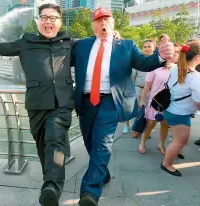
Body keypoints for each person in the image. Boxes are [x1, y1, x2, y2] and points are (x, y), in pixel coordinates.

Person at [0, 4, 74, 206]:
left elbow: (93, 48)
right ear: (38, 21)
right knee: (43, 147)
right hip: (36, 104)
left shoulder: (70, 43)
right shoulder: (26, 42)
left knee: (55, 141)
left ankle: (52, 187)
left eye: (53, 17)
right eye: (44, 17)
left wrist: (112, 38)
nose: (48, 21)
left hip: (61, 104)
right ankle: (50, 185)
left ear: (60, 21)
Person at [71, 7, 175, 206]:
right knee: (90, 143)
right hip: (85, 101)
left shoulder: (126, 45)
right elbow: (61, 58)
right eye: (99, 20)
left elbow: (144, 63)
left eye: (107, 20)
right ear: (93, 25)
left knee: (103, 143)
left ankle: (89, 193)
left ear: (113, 23)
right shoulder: (82, 45)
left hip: (110, 101)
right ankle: (103, 174)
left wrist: (160, 57)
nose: (103, 24)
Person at [162, 41, 200, 176]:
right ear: (197, 57)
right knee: (180, 141)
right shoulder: (195, 77)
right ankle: (166, 164)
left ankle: (174, 152)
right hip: (180, 113)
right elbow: (198, 102)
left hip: (169, 109)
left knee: (178, 139)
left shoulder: (175, 68)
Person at [138, 43, 180, 155]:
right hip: (155, 102)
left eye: (176, 53)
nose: (173, 55)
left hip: (170, 103)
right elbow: (147, 86)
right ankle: (142, 143)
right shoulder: (155, 68)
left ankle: (161, 144)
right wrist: (142, 100)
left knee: (165, 124)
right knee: (151, 123)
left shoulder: (178, 69)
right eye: (171, 53)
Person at [130, 39, 156, 137]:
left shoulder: (157, 60)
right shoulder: (138, 60)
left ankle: (146, 130)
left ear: (154, 47)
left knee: (149, 111)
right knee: (138, 110)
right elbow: (133, 77)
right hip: (139, 88)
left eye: (149, 46)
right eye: (145, 47)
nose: (146, 49)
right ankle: (135, 129)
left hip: (153, 91)